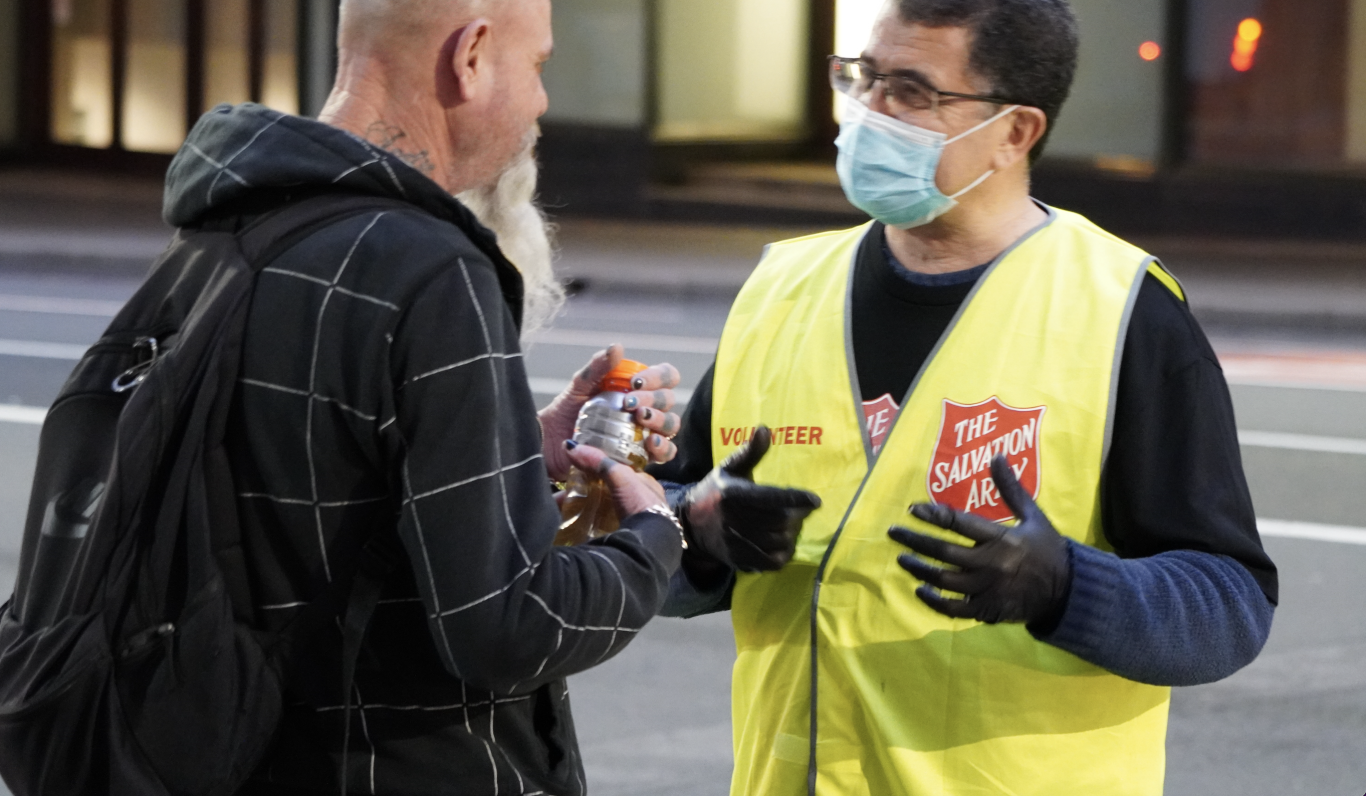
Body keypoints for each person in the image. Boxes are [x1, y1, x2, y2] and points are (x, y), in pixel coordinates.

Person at [653, 1, 1278, 794]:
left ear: (1017, 132)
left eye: (912, 91)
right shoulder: (781, 289)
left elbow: (1229, 607)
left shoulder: (1122, 310)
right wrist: (695, 536)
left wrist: (1067, 588)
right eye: (864, 76)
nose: (871, 111)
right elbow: (657, 536)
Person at [155, 0, 710, 792]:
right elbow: (508, 625)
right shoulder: (431, 269)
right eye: (540, 67)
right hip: (391, 763)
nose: (543, 104)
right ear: (472, 55)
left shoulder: (228, 230)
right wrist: (654, 535)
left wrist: (515, 447)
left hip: (238, 754)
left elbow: (326, 481)